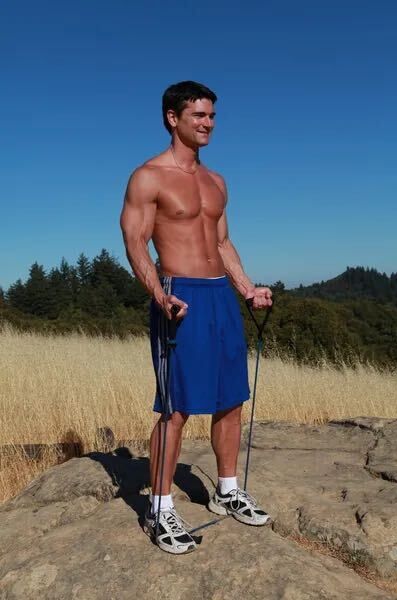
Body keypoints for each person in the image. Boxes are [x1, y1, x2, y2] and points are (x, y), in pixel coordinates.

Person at [120, 81, 273, 555]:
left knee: (231, 397)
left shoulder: (216, 182)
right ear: (173, 118)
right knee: (176, 406)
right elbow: (135, 243)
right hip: (179, 295)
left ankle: (227, 491)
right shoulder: (148, 177)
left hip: (221, 294)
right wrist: (159, 295)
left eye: (211, 116)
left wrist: (247, 288)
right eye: (198, 116)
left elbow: (222, 243)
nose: (208, 124)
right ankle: (160, 507)